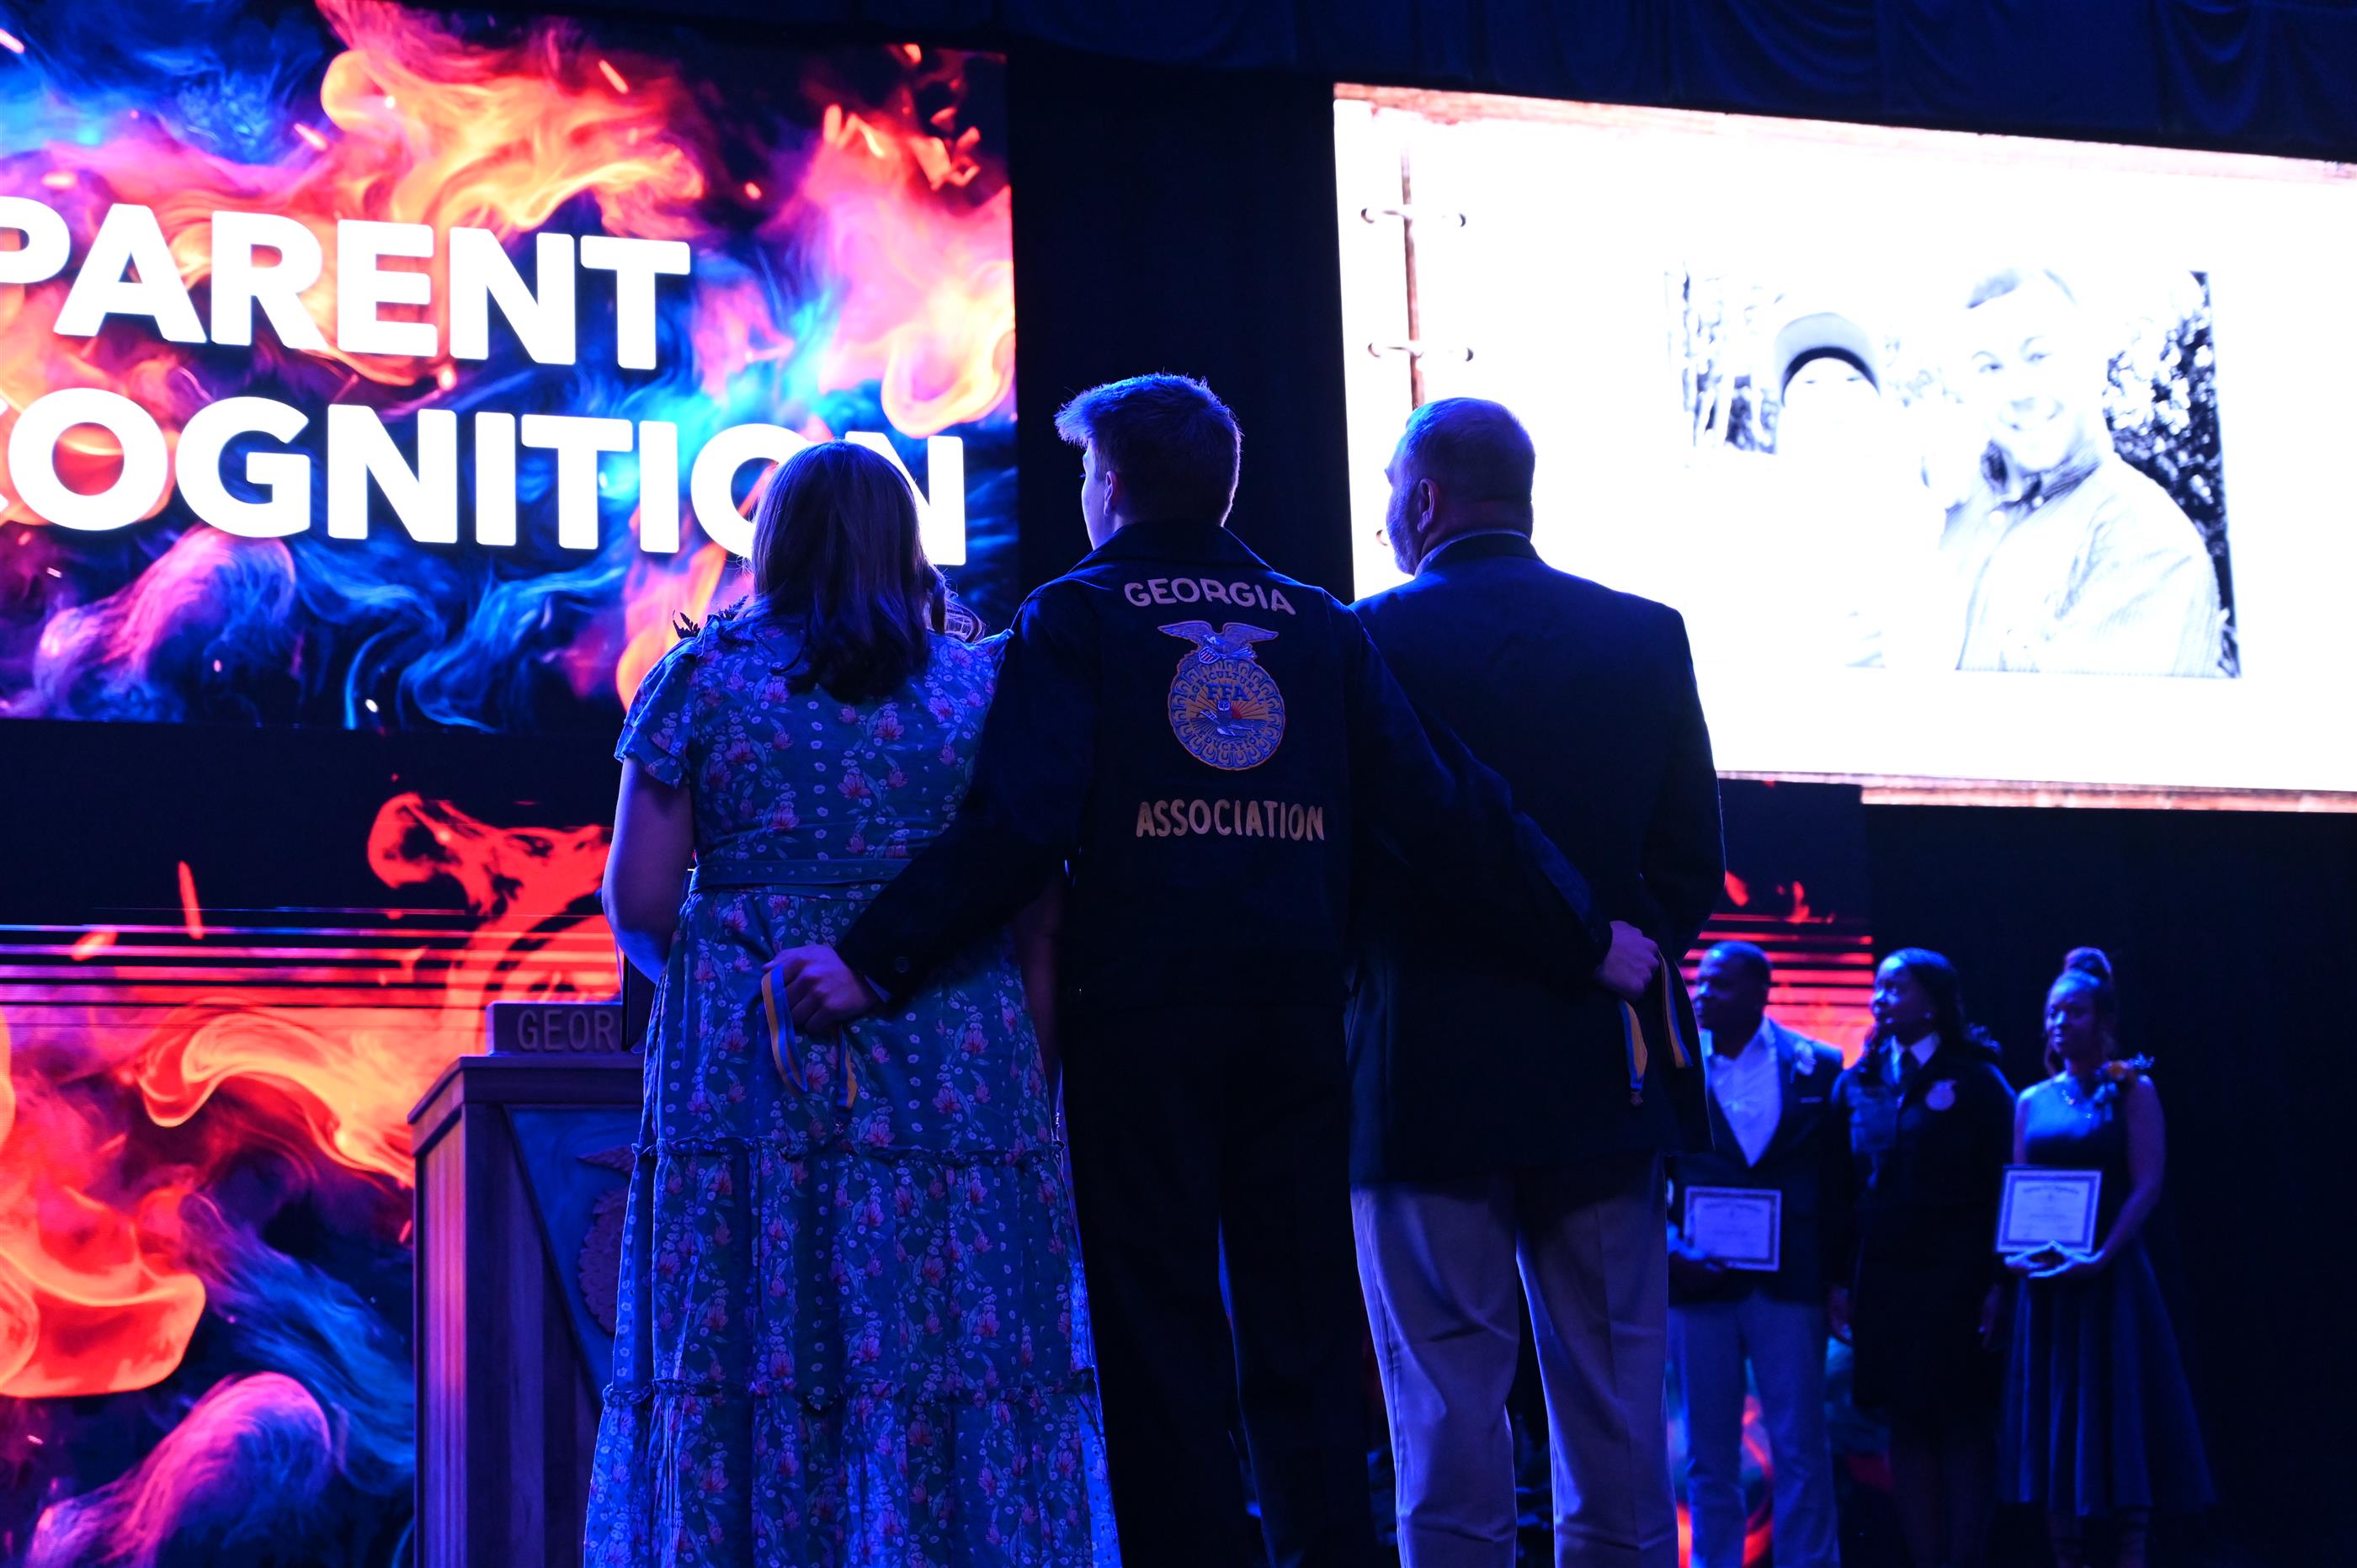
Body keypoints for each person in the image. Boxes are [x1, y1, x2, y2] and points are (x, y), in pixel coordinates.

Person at [769, 375, 1661, 1568]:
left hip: (1141, 1023)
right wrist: (1584, 932)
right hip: (1296, 1018)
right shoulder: (1317, 623)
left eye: (1084, 472)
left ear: (1111, 484)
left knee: (1160, 1337)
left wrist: (870, 960)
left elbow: (1017, 825)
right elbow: (1445, 807)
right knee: (1305, 1337)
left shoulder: (1076, 615)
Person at [581, 442, 1116, 1566]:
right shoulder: (984, 687)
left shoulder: (700, 679)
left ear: (770, 540)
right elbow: (1039, 912)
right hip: (961, 1064)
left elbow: (638, 902)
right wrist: (1026, 1081)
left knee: (754, 1346)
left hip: (754, 1070)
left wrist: (728, 996)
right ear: (905, 540)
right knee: (951, 1346)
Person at [1348, 396, 1721, 1568]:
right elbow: (1689, 868)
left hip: (1424, 1072)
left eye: (1390, 493)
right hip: (1600, 1070)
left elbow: (1353, 862)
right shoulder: (1645, 634)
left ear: (1422, 500)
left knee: (1444, 1418)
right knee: (1617, 1417)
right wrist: (1594, 954)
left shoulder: (1366, 637)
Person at [2000, 949, 2211, 1568]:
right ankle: (2066, 1556)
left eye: (2075, 1011)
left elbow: (2148, 1184)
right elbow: (2022, 1187)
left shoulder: (2131, 1089)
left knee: (2118, 1409)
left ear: (2104, 1019)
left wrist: (2102, 1253)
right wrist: (2015, 1254)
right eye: (2052, 1012)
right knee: (2055, 1413)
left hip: (2110, 1276)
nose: (2060, 1022)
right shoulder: (2032, 1099)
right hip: (2049, 1281)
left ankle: (2130, 1555)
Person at [1937, 268, 2225, 678]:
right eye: (1989, 368)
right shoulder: (1944, 511)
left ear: (2093, 360)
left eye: (2039, 355)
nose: (2019, 391)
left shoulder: (2148, 544)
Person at [1830, 948, 2014, 1568]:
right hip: (1886, 1281)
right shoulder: (1858, 1081)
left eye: (1897, 988)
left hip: (1960, 1278)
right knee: (1905, 1422)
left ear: (1933, 1000)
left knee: (1963, 1421)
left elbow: (2005, 1182)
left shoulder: (1977, 1078)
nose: (1880, 999)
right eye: (1877, 988)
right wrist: (1839, 1281)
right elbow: (1840, 1190)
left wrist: (2001, 1281)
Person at [1666, 942, 1849, 1568]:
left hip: (1790, 1280)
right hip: (1697, 1280)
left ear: (1758, 993)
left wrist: (1838, 1277)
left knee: (1801, 1445)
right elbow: (1650, 1170)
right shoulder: (1676, 1064)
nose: (1702, 995)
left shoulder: (1820, 1065)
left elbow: (1837, 1180)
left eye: (1718, 984)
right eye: (1701, 982)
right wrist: (1670, 1249)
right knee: (1706, 1452)